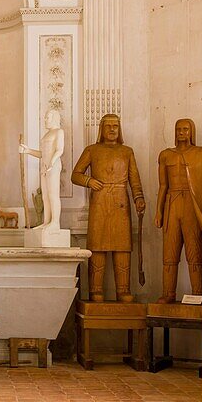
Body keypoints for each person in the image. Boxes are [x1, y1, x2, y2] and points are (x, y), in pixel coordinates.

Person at [70, 114, 145, 302]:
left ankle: (123, 290)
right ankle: (95, 290)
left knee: (122, 247)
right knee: (97, 246)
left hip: (120, 203)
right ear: (101, 129)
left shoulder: (127, 151)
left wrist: (138, 198)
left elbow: (134, 179)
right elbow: (75, 175)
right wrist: (89, 181)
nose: (112, 129)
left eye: (116, 126)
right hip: (100, 202)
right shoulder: (92, 150)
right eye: (108, 126)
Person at [155, 119, 202, 303]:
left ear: (191, 132)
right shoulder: (165, 155)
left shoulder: (201, 153)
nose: (181, 132)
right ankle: (168, 293)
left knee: (194, 250)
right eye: (178, 129)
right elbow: (163, 185)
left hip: (191, 203)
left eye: (185, 129)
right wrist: (159, 211)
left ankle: (197, 294)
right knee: (169, 252)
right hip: (172, 202)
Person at [19, 109, 66, 230]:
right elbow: (42, 154)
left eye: (47, 118)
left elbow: (59, 150)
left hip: (53, 166)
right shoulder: (46, 135)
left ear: (54, 118)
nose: (45, 120)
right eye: (45, 118)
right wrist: (28, 151)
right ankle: (46, 222)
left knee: (53, 194)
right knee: (45, 195)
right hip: (44, 167)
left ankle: (55, 222)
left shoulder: (59, 132)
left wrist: (51, 162)